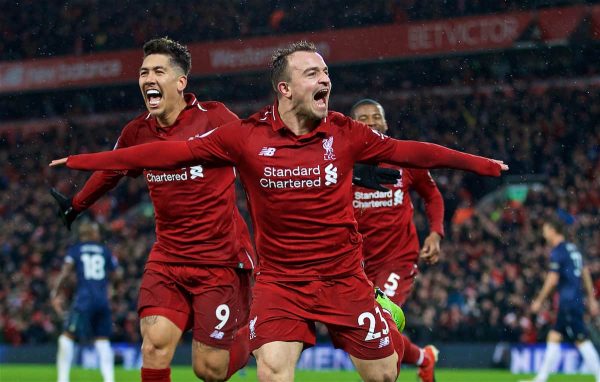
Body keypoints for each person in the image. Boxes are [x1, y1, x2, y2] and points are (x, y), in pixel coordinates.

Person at [51, 40, 508, 382]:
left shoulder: (346, 133)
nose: (325, 79)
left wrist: (481, 164)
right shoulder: (246, 137)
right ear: (286, 88)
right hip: (281, 281)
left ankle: (395, 332)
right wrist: (80, 163)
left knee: (384, 375)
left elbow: (414, 152)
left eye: (325, 72)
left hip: (343, 277)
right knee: (270, 369)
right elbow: (158, 156)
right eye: (312, 73)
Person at [50, 37, 255, 382]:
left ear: (180, 81)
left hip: (220, 259)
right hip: (169, 257)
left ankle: (258, 334)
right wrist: (76, 205)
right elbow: (112, 169)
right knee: (154, 347)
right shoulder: (137, 131)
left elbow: (255, 157)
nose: (148, 79)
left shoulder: (217, 118)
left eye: (158, 71)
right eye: (143, 72)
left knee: (210, 371)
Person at [350, 99, 444, 382]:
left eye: (375, 117)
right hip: (357, 263)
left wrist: (436, 232)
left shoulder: (404, 157)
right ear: (353, 125)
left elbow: (432, 195)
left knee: (380, 318)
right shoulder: (342, 162)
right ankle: (424, 358)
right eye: (363, 118)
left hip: (398, 259)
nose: (370, 122)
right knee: (359, 331)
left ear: (386, 123)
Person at [521, 216, 600, 382]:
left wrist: (539, 300)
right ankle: (541, 378)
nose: (544, 235)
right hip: (575, 300)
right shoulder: (573, 249)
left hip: (568, 301)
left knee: (581, 339)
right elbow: (585, 272)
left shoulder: (558, 251)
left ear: (552, 230)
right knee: (554, 336)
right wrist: (591, 299)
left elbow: (552, 279)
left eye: (545, 231)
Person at [51, 220, 118, 382]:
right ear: (92, 234)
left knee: (67, 337)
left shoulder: (76, 249)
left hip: (84, 299)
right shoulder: (105, 251)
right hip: (102, 300)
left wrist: (55, 291)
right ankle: (109, 380)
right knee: (102, 340)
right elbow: (117, 274)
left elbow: (65, 272)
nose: (99, 234)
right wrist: (112, 289)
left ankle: (62, 379)